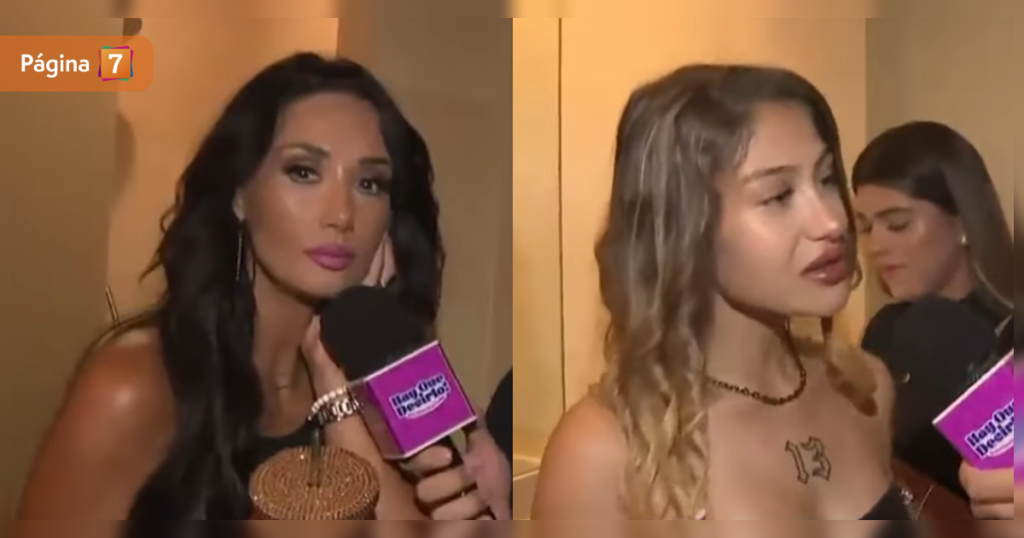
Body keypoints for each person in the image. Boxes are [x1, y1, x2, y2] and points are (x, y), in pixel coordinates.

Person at [13, 54, 507, 533]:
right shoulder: (135, 387)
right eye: (303, 172)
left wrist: (340, 397)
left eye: (370, 183)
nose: (341, 215)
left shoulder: (384, 387)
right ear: (238, 194)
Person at [532, 64, 914, 536]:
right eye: (779, 196)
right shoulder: (602, 453)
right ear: (684, 229)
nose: (832, 222)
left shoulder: (865, 389)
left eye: (827, 179)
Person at [853, 121, 1013, 501]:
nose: (875, 246)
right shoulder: (886, 330)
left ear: (963, 222)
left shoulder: (1009, 338)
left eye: (897, 224)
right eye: (865, 227)